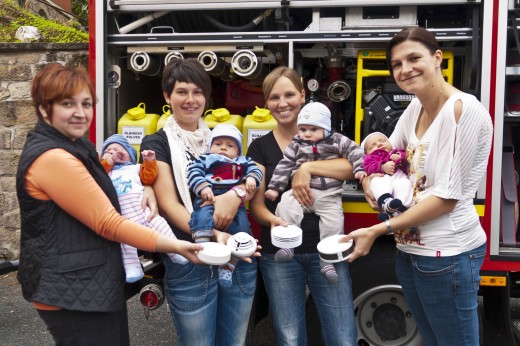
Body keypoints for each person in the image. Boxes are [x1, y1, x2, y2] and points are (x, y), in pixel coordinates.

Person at [16, 63, 203, 345]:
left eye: (87, 103)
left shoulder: (74, 145)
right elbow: (107, 222)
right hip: (70, 289)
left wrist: (148, 185)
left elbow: (121, 185)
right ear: (44, 108)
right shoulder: (54, 157)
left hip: (86, 281)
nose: (81, 112)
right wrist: (175, 245)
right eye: (68, 104)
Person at [341, 27, 493, 346]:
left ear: (437, 58)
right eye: (397, 64)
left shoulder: (462, 110)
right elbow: (381, 154)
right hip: (410, 251)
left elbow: (446, 199)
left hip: (446, 255)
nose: (405, 69)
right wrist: (367, 177)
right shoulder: (416, 107)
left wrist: (378, 229)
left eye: (414, 58)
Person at [139, 59, 259, 345]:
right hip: (191, 256)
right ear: (167, 96)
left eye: (198, 92)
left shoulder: (221, 138)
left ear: (206, 97)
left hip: (236, 254)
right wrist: (216, 234)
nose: (190, 100)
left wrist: (236, 195)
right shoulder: (156, 144)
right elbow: (169, 204)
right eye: (181, 92)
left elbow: (247, 175)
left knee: (235, 341)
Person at [247, 66, 358, 345]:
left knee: (342, 335)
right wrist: (275, 223)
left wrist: (307, 167)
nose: (282, 103)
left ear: (302, 95)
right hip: (279, 254)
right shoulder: (259, 148)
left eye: (289, 95)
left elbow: (351, 165)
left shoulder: (328, 137)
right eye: (274, 97)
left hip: (329, 252)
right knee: (290, 338)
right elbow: (257, 206)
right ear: (266, 103)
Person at [264, 101, 365, 283]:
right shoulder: (297, 144)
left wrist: (359, 169)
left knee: (334, 222)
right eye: (303, 129)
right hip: (300, 192)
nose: (307, 134)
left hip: (328, 194)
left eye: (313, 129)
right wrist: (274, 187)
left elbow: (355, 151)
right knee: (285, 206)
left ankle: (326, 260)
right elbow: (284, 165)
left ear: (325, 129)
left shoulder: (337, 140)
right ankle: (289, 245)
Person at [101, 134, 188, 283]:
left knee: (161, 226)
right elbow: (97, 173)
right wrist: (107, 161)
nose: (113, 152)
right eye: (108, 150)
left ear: (130, 155)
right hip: (124, 218)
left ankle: (176, 252)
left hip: (145, 212)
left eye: (118, 149)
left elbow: (148, 177)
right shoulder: (106, 174)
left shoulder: (134, 168)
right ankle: (133, 268)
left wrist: (148, 160)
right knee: (125, 243)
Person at [187, 123, 262, 288]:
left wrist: (251, 179)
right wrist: (203, 187)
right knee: (201, 217)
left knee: (242, 228)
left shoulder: (242, 161)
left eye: (230, 145)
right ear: (210, 146)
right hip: (209, 196)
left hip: (235, 204)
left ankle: (230, 263)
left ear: (238, 150)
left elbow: (256, 170)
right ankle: (202, 245)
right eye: (218, 144)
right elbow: (193, 172)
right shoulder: (205, 158)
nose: (223, 148)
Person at [360, 131, 412, 221]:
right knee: (378, 180)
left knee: (405, 183)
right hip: (382, 180)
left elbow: (406, 161)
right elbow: (369, 167)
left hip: (398, 180)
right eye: (373, 145)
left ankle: (401, 208)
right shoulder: (370, 158)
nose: (379, 144)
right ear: (367, 153)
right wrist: (382, 167)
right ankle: (385, 201)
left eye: (383, 141)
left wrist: (399, 157)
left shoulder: (396, 152)